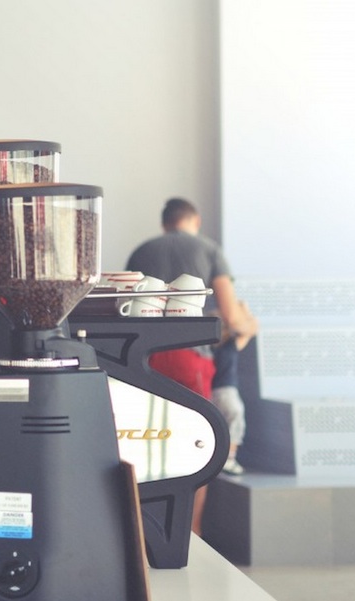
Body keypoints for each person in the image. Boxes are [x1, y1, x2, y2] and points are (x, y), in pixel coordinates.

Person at [126, 197, 258, 535]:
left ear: (165, 223)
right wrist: (248, 326)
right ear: (194, 220)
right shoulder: (210, 250)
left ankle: (146, 530)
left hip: (144, 358)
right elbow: (230, 315)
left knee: (148, 439)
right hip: (191, 357)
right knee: (198, 442)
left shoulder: (142, 251)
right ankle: (191, 531)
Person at [211, 299, 258, 475]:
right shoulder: (229, 345)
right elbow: (250, 330)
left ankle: (222, 458)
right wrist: (245, 310)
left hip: (208, 390)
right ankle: (229, 459)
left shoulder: (208, 346)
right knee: (235, 421)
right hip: (226, 390)